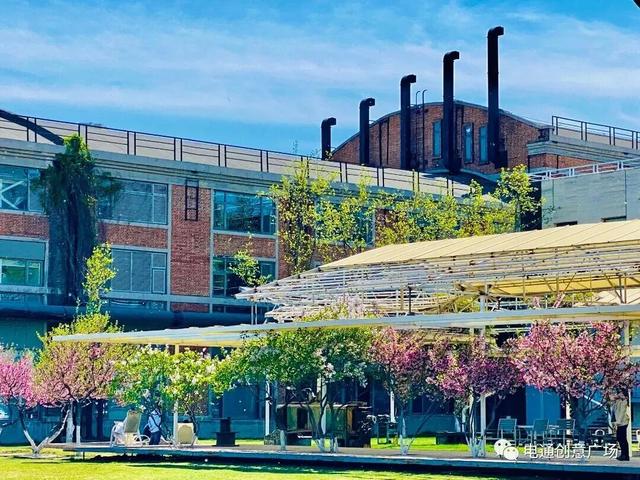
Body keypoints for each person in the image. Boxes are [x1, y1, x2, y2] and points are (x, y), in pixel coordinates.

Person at [612, 395, 630, 461]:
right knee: (620, 438)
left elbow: (622, 412)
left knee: (622, 439)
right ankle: (624, 455)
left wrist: (618, 422)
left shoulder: (623, 401)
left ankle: (625, 455)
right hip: (620, 423)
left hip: (623, 422)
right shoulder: (616, 402)